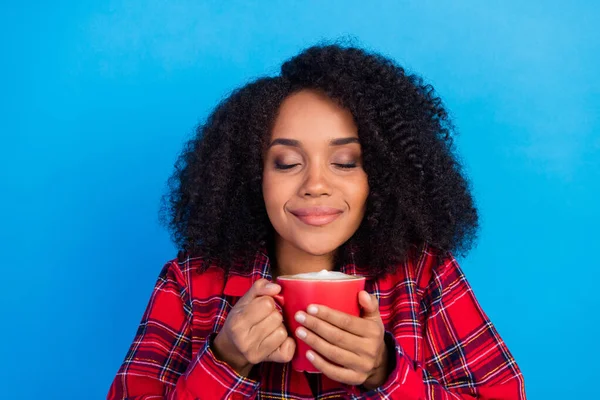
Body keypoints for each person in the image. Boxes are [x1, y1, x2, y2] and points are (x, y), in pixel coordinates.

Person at [107, 43, 525, 399]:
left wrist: (384, 371)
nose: (316, 185)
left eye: (345, 162)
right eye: (287, 163)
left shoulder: (424, 275)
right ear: (252, 177)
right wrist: (226, 359)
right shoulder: (190, 283)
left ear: (379, 176)